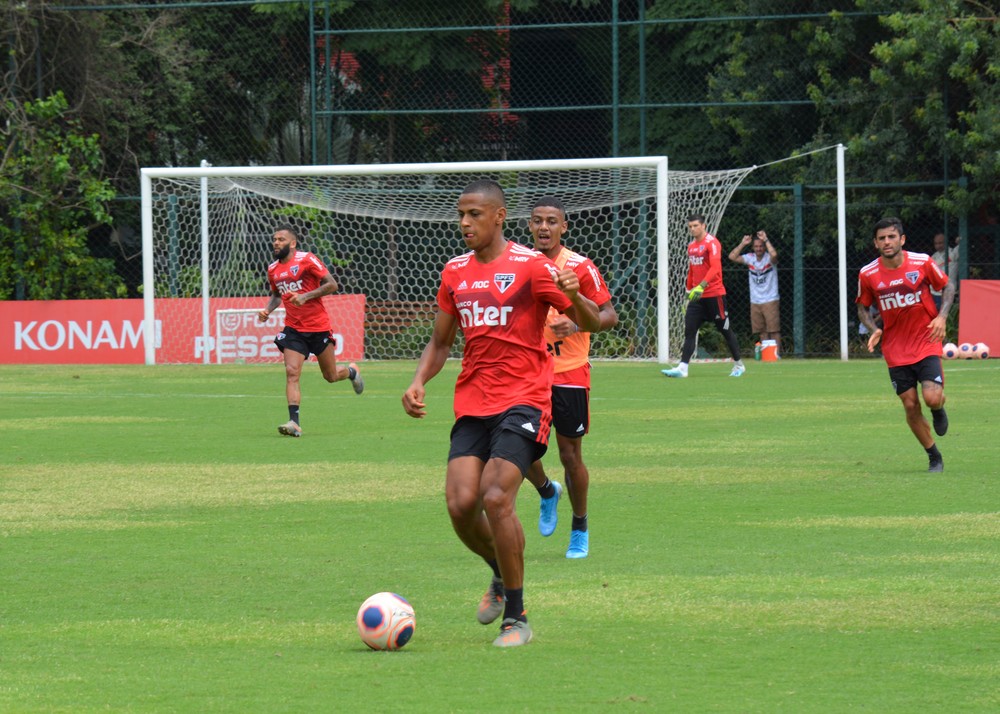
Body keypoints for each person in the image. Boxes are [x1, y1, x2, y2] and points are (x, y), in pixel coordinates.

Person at [401, 180, 601, 648]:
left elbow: (590, 321)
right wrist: (417, 381)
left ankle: (518, 615)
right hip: (473, 402)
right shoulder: (454, 272)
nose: (465, 223)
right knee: (459, 505)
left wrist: (576, 296)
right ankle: (498, 570)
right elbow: (441, 341)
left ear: (498, 217)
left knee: (496, 497)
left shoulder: (532, 267)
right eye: (461, 215)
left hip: (527, 398)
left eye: (474, 214)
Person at [520, 196, 618, 560]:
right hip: (528, 373)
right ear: (529, 226)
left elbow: (609, 315)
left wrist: (575, 323)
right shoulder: (521, 264)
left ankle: (580, 526)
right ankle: (547, 491)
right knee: (518, 449)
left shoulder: (579, 267)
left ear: (564, 227)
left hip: (570, 373)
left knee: (569, 454)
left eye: (551, 221)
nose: (543, 227)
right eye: (537, 221)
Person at [856, 217, 955, 472]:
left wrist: (942, 317)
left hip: (926, 341)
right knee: (910, 404)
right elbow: (862, 308)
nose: (887, 242)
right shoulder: (868, 274)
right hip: (895, 349)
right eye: (882, 238)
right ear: (875, 243)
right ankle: (934, 456)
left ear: (902, 239)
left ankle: (938, 408)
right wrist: (874, 329)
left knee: (931, 397)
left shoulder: (922, 262)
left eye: (891, 237)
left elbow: (948, 286)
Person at [258, 224, 363, 437]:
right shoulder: (273, 269)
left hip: (318, 327)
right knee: (291, 372)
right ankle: (294, 422)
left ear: (293, 243)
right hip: (294, 330)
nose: (276, 243)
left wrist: (305, 296)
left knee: (331, 376)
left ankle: (351, 372)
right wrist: (268, 310)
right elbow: (277, 295)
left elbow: (332, 284)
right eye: (274, 239)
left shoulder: (306, 260)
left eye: (281, 239)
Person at [662, 214, 746, 378]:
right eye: (690, 226)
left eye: (695, 226)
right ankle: (683, 368)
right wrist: (688, 290)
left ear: (703, 226)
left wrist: (701, 286)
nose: (692, 229)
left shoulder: (712, 243)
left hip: (715, 294)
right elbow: (692, 269)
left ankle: (739, 365)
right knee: (690, 330)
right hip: (697, 297)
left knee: (725, 330)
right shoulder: (691, 246)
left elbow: (715, 268)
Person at [728, 230, 781, 356]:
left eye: (761, 246)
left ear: (764, 247)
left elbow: (774, 255)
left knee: (774, 330)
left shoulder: (769, 258)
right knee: (762, 330)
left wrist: (766, 240)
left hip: (770, 298)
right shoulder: (749, 258)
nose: (759, 249)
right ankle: (766, 354)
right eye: (756, 246)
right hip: (755, 300)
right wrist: (742, 243)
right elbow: (732, 256)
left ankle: (776, 355)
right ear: (753, 248)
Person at [930, 232, 960, 311]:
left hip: (949, 292)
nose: (938, 245)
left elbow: (963, 243)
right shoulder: (933, 257)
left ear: (946, 242)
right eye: (936, 243)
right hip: (934, 293)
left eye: (940, 243)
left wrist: (959, 240)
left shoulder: (953, 253)